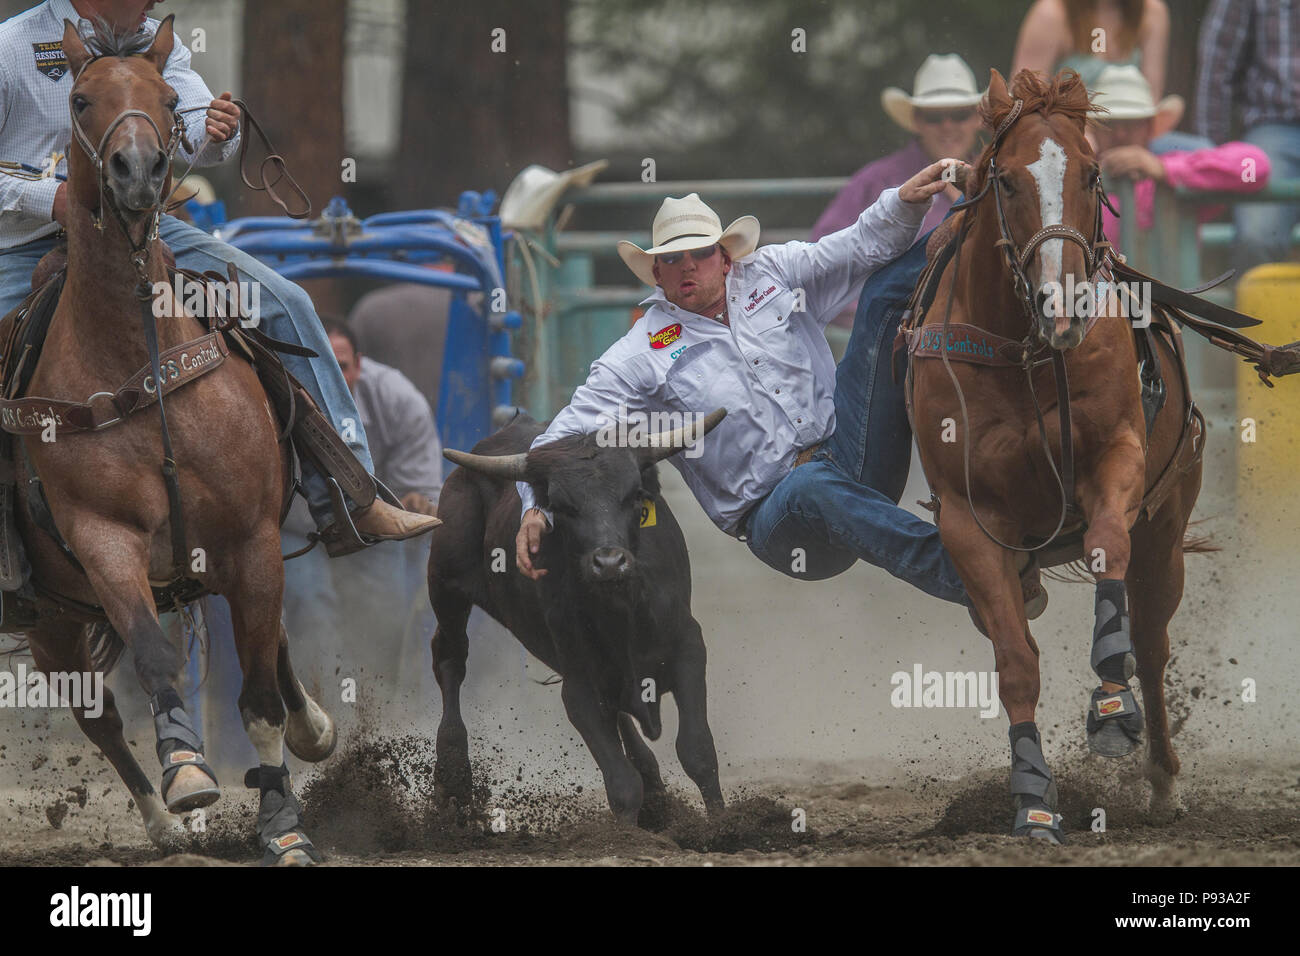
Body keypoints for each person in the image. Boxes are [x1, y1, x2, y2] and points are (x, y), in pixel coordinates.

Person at [0, 0, 437, 559]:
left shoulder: (158, 42)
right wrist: (50, 198)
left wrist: (219, 130)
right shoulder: (13, 49)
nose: (156, 3)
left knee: (285, 302)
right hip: (25, 244)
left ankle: (352, 495)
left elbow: (201, 135)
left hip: (144, 233)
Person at [513, 173, 1048, 626]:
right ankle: (975, 578)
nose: (688, 267)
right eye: (673, 260)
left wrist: (905, 201)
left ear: (724, 258)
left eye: (701, 253)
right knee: (810, 485)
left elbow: (861, 245)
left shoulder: (769, 272)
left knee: (885, 290)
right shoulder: (639, 354)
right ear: (658, 273)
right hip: (776, 519)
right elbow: (557, 440)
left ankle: (1000, 221)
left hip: (851, 455)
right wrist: (533, 508)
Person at [1089, 64, 1269, 244]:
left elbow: (1256, 165)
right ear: (1093, 129)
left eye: (1131, 123)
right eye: (1109, 123)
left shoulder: (1169, 172)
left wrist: (1164, 169)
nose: (1120, 133)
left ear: (1149, 127)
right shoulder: (1077, 180)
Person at [1195, 0, 1300, 272]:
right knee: (1256, 236)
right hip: (1273, 126)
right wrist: (1214, 158)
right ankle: (1257, 311)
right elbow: (1216, 64)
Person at [1012, 0, 1169, 98]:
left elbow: (1151, 97)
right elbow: (1023, 97)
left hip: (1131, 136)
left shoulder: (1151, 12)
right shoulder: (1052, 12)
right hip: (1065, 136)